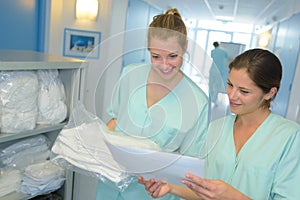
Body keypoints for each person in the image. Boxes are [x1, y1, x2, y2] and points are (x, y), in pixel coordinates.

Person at [138, 48, 300, 199]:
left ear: (270, 93)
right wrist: (170, 188)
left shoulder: (289, 137)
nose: (232, 95)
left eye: (244, 91)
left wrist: (233, 197)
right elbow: (205, 190)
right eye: (230, 85)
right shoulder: (217, 128)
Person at [95, 8, 209, 200]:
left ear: (185, 47)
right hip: (110, 185)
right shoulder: (130, 75)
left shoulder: (198, 102)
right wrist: (96, 147)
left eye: (173, 56)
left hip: (153, 193)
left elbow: (190, 165)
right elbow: (115, 120)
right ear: (148, 49)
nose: (164, 65)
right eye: (156, 56)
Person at [209, 42, 229, 106]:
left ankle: (209, 98)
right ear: (219, 45)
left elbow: (212, 57)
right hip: (219, 70)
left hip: (213, 69)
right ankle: (214, 99)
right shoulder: (223, 51)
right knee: (217, 85)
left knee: (211, 84)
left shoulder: (212, 51)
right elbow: (227, 57)